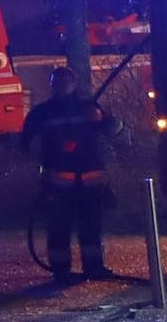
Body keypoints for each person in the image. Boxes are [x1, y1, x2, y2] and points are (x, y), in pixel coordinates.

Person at [21, 66, 117, 281]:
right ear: (52, 86)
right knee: (59, 228)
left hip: (89, 182)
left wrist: (102, 119)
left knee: (91, 227)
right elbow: (25, 143)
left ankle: (93, 267)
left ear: (74, 84)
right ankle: (61, 271)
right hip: (58, 184)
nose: (62, 87)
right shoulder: (42, 113)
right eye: (57, 83)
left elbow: (114, 130)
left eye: (65, 82)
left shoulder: (88, 108)